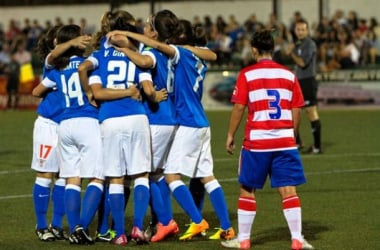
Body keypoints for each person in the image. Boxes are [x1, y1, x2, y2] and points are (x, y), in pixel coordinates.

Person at [111, 16, 235, 242]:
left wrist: (126, 44)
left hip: (181, 121)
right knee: (207, 176)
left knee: (164, 175)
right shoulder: (197, 55)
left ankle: (185, 221)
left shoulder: (175, 53)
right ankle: (226, 226)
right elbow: (212, 54)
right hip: (199, 121)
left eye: (149, 27)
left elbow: (151, 56)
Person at [221, 29, 314, 250]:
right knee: (288, 189)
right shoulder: (289, 75)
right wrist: (291, 135)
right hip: (284, 141)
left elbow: (239, 108)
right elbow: (297, 110)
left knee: (247, 188)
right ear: (272, 49)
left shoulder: (247, 74)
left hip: (257, 142)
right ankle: (296, 239)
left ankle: (244, 240)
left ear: (254, 50)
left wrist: (230, 134)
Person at [88, 14, 167, 246]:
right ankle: (138, 227)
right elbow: (146, 87)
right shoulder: (136, 56)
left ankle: (119, 233)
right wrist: (153, 95)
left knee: (115, 178)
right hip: (136, 117)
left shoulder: (99, 56)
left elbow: (96, 89)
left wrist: (89, 92)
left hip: (109, 119)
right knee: (141, 175)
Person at [32, 24, 104, 245]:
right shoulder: (54, 62)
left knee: (66, 177)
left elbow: (37, 90)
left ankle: (57, 225)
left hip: (64, 124)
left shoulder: (58, 68)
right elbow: (36, 91)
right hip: (49, 124)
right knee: (46, 174)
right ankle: (42, 226)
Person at [77, 10, 137, 243]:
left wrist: (89, 92)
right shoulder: (134, 47)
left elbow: (83, 68)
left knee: (105, 174)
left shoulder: (100, 49)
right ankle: (106, 227)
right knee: (124, 176)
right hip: (130, 113)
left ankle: (98, 228)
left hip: (102, 116)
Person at [286, 18, 322, 154]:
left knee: (310, 112)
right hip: (298, 81)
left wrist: (291, 53)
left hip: (308, 80)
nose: (300, 32)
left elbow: (302, 63)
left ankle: (317, 147)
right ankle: (298, 142)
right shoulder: (297, 44)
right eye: (298, 29)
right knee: (292, 111)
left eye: (303, 29)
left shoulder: (310, 44)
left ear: (307, 31)